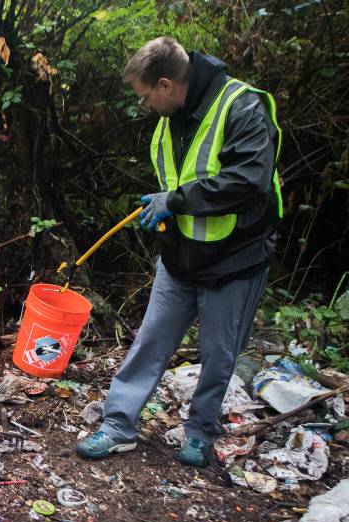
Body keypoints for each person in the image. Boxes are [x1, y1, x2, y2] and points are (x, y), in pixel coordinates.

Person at [76, 37, 282, 467]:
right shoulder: (170, 120)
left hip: (236, 259)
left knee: (218, 354)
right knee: (150, 341)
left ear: (166, 84)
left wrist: (175, 200)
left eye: (146, 95)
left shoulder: (241, 107)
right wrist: (163, 209)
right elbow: (180, 181)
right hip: (180, 258)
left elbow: (248, 180)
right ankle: (118, 426)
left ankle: (201, 433)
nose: (145, 105)